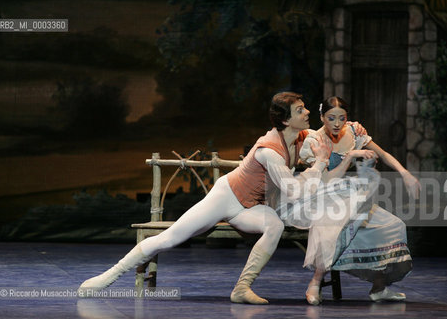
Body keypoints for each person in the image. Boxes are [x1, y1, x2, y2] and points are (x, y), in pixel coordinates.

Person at [79, 92, 349, 304]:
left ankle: (242, 288)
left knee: (274, 225)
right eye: (300, 110)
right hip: (226, 196)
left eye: (304, 107)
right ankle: (107, 277)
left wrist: (354, 135)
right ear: (285, 120)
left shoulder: (302, 137)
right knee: (170, 238)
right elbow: (292, 189)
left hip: (250, 206)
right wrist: (318, 165)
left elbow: (328, 135)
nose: (308, 112)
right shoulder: (270, 150)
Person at [282, 96, 420, 305]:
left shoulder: (355, 131)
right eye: (331, 118)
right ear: (321, 117)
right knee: (333, 225)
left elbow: (382, 154)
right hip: (322, 196)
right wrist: (350, 156)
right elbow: (328, 179)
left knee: (394, 225)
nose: (337, 124)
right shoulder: (314, 141)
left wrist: (404, 172)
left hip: (349, 195)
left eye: (341, 118)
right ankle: (315, 282)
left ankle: (379, 287)